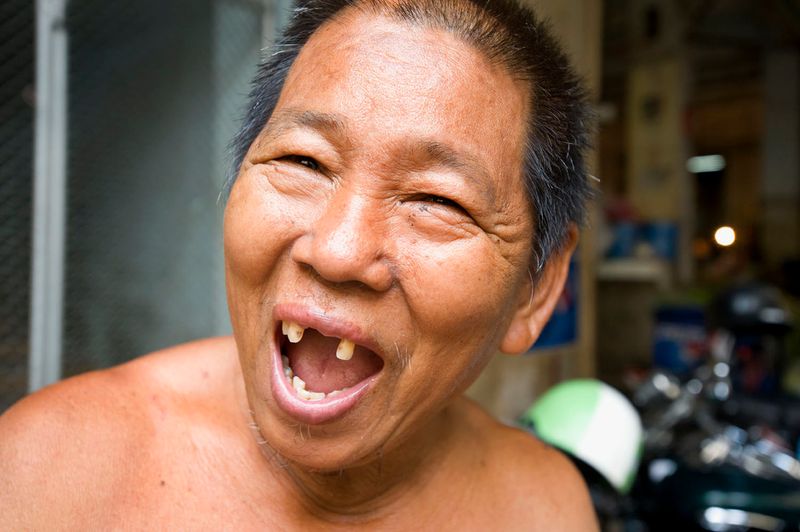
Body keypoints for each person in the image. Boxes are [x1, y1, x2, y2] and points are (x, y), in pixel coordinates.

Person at [0, 0, 598, 529]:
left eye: (436, 201)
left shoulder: (545, 507)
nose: (338, 252)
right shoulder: (49, 475)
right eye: (305, 162)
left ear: (536, 288)